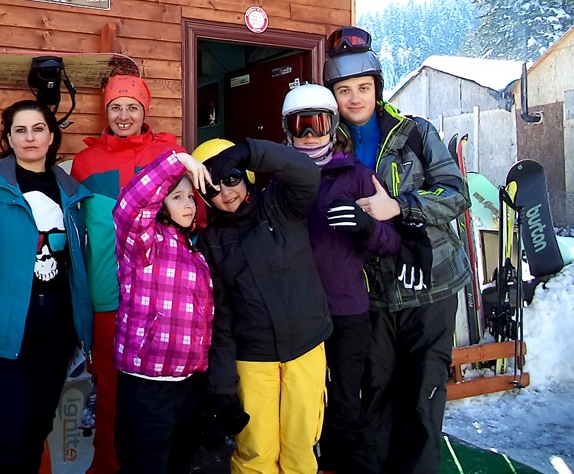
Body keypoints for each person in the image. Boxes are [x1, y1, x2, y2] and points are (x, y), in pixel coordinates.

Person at [323, 26, 471, 474]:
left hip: (430, 285)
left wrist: (400, 205)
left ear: (377, 88)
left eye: (363, 88)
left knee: (423, 394)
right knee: (377, 393)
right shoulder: (327, 147)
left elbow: (455, 193)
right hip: (372, 293)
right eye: (344, 90)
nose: (354, 99)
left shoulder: (414, 133)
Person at [0, 99, 92, 474]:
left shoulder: (71, 191)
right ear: (9, 138)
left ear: (51, 137)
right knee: (9, 431)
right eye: (20, 130)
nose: (29, 137)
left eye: (38, 129)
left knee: (39, 425)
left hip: (57, 328)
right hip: (4, 327)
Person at [193, 137, 332, 474]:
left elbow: (306, 173)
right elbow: (220, 318)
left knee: (300, 449)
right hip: (253, 359)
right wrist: (222, 388)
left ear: (247, 175)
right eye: (212, 187)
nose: (226, 192)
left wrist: (249, 151)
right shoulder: (211, 242)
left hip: (305, 347)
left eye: (231, 178)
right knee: (256, 453)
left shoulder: (281, 205)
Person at [281, 83, 401, 474]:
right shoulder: (279, 180)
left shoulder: (357, 176)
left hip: (346, 309)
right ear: (287, 130)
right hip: (297, 313)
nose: (309, 135)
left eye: (317, 124)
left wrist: (367, 226)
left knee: (347, 402)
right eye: (300, 126)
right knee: (303, 403)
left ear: (333, 125)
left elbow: (390, 243)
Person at [70, 75, 184, 474]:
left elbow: (190, 213)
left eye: (132, 107)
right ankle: (106, 466)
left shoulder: (168, 152)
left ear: (144, 111)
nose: (124, 115)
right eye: (116, 107)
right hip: (106, 293)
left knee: (154, 394)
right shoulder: (85, 162)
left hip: (157, 293)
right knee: (109, 392)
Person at [112, 150, 214, 474]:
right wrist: (178, 161)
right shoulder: (144, 244)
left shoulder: (194, 251)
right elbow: (130, 206)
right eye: (177, 197)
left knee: (178, 465)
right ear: (160, 205)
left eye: (190, 197)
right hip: (148, 385)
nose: (188, 204)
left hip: (187, 384)